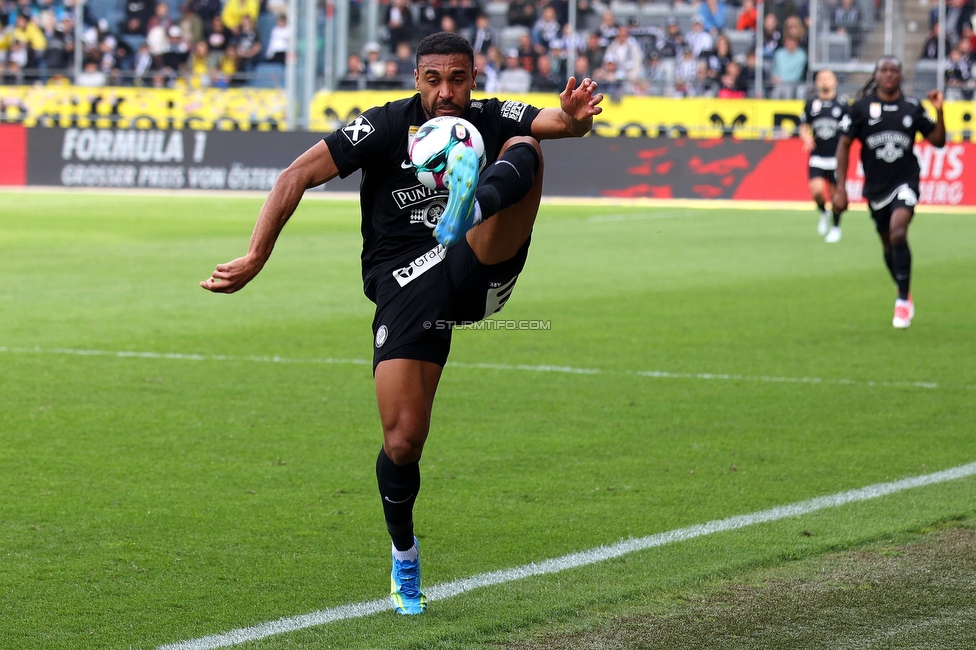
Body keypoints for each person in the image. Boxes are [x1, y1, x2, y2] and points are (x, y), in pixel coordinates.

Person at [200, 31, 603, 616]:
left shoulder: (491, 115)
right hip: (406, 284)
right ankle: (404, 554)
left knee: (525, 145)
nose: (446, 92)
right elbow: (295, 176)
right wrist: (256, 255)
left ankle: (473, 201)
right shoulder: (385, 125)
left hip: (473, 257)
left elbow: (561, 126)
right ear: (417, 80)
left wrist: (574, 118)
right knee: (403, 439)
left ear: (473, 77)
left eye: (458, 79)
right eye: (434, 80)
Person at [833, 56, 945, 329]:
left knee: (898, 231)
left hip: (906, 181)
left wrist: (939, 111)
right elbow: (844, 146)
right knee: (887, 244)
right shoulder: (859, 109)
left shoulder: (912, 108)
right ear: (877, 74)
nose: (889, 74)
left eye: (894, 70)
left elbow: (939, 141)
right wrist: (840, 189)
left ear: (901, 76)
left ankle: (903, 301)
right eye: (884, 69)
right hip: (876, 187)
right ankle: (901, 285)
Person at [799, 69, 848, 243]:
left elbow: (849, 130)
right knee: (817, 191)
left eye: (828, 78)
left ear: (835, 81)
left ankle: (836, 227)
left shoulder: (842, 104)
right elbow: (804, 126)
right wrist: (805, 137)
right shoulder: (811, 104)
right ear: (817, 83)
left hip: (836, 158)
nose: (825, 81)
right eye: (821, 79)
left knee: (835, 196)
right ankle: (823, 212)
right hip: (817, 156)